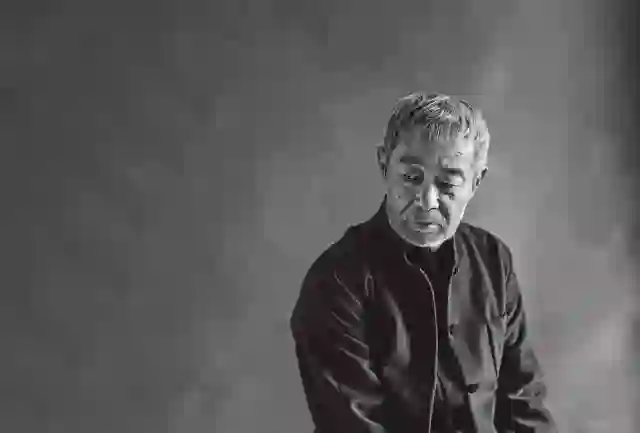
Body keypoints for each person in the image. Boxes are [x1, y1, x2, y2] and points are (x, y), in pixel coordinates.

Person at [289, 92, 557, 433]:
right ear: (384, 164)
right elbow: (354, 426)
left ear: (476, 182)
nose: (427, 202)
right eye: (411, 178)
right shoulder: (336, 280)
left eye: (447, 184)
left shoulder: (494, 260)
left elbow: (524, 404)